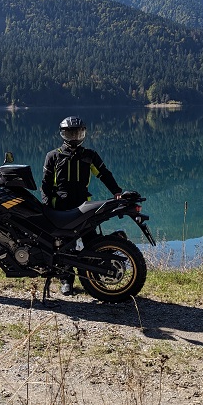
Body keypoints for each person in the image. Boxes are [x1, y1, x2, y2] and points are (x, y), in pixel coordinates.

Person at [41, 116, 123, 296]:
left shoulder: (89, 155)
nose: (74, 137)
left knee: (91, 241)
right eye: (70, 133)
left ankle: (94, 278)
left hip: (83, 206)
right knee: (64, 246)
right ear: (63, 134)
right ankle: (66, 281)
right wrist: (46, 206)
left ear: (83, 134)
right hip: (60, 207)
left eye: (78, 133)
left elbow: (104, 174)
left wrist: (116, 191)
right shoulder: (53, 156)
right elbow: (45, 184)